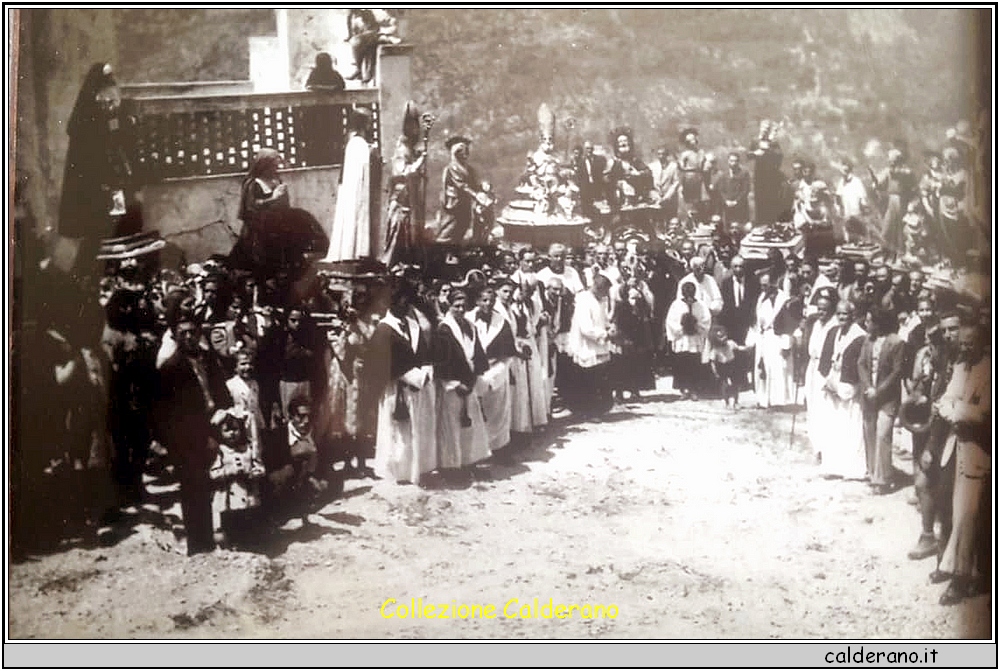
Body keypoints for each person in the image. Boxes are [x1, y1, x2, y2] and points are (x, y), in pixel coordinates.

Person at [154, 306, 233, 556]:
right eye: (183, 333)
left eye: (192, 332)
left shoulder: (208, 359)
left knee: (222, 483)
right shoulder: (170, 368)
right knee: (193, 488)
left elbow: (221, 390)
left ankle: (224, 535)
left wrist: (225, 414)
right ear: (176, 336)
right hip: (188, 436)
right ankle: (199, 545)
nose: (189, 337)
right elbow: (166, 412)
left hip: (215, 424)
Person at [59, 62, 137, 284]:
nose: (109, 104)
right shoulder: (86, 120)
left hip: (111, 186)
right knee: (97, 235)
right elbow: (91, 158)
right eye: (105, 99)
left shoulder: (107, 116)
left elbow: (117, 145)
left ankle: (105, 280)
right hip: (94, 188)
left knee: (113, 232)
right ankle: (80, 280)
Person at [933, 322, 991, 605]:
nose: (965, 347)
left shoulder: (990, 370)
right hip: (954, 446)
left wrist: (954, 410)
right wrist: (955, 409)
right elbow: (945, 399)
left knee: (969, 514)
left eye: (971, 343)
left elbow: (983, 415)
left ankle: (962, 576)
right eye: (963, 343)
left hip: (980, 451)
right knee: (950, 507)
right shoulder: (960, 366)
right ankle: (948, 564)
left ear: (983, 342)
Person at [369, 280, 437, 485]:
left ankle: (416, 469)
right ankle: (398, 472)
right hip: (397, 386)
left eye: (407, 303)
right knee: (398, 432)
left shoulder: (414, 326)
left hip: (418, 385)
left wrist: (426, 372)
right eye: (400, 302)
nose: (405, 307)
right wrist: (409, 376)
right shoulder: (383, 329)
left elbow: (425, 353)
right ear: (392, 304)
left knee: (416, 428)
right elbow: (380, 362)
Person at [434, 288, 491, 472]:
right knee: (452, 427)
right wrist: (454, 383)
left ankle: (469, 462)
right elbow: (441, 360)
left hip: (469, 381)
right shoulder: (444, 328)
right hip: (453, 385)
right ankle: (452, 467)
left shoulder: (469, 326)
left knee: (470, 425)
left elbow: (477, 353)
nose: (460, 309)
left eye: (463, 306)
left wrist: (474, 378)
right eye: (456, 306)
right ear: (449, 306)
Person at [816, 300, 867, 479]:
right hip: (833, 380)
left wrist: (843, 387)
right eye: (838, 314)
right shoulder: (833, 332)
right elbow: (825, 359)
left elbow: (859, 365)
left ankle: (851, 468)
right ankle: (833, 465)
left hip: (849, 385)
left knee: (850, 426)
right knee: (833, 425)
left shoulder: (860, 336)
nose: (841, 317)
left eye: (845, 314)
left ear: (852, 315)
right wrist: (828, 381)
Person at [857, 307, 906, 495]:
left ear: (879, 322)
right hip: (869, 395)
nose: (866, 324)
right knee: (870, 432)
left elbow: (896, 371)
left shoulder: (896, 342)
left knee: (883, 435)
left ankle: (884, 479)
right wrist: (868, 386)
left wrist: (879, 390)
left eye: (869, 321)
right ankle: (872, 473)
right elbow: (861, 363)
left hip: (887, 397)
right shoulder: (867, 341)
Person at [325, 109, 380, 263]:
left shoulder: (355, 141)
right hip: (355, 188)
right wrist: (372, 153)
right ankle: (354, 251)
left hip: (354, 187)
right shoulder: (357, 142)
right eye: (369, 121)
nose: (371, 125)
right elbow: (363, 164)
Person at [208, 409, 265, 547]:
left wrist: (253, 473)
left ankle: (248, 542)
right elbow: (213, 473)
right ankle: (232, 543)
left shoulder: (247, 449)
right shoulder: (221, 452)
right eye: (227, 430)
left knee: (247, 519)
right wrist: (230, 472)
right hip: (229, 495)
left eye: (235, 429)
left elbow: (260, 468)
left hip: (247, 492)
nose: (232, 433)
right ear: (220, 433)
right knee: (230, 520)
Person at [383, 101, 428, 267]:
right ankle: (391, 265)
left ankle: (407, 263)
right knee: (398, 232)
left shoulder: (410, 147)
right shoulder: (402, 149)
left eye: (417, 125)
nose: (416, 129)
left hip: (410, 196)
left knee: (409, 234)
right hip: (401, 197)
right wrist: (420, 161)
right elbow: (402, 172)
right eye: (412, 125)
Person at [566, 275, 615, 414]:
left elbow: (603, 319)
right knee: (589, 380)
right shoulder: (584, 301)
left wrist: (609, 327)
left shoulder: (601, 300)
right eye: (605, 291)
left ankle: (599, 409)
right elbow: (586, 328)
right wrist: (605, 334)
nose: (606, 295)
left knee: (600, 379)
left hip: (600, 345)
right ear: (598, 288)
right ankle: (588, 411)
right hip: (587, 346)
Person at [435, 136, 493, 247]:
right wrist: (476, 195)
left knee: (464, 223)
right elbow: (462, 185)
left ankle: (454, 249)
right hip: (454, 203)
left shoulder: (469, 168)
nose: (464, 153)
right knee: (452, 225)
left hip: (464, 201)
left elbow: (474, 182)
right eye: (461, 151)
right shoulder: (452, 168)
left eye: (466, 151)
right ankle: (442, 248)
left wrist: (483, 186)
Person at [751, 271, 797, 408]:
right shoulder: (761, 298)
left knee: (779, 369)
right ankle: (764, 399)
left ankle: (779, 401)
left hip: (778, 338)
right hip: (764, 338)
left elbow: (790, 326)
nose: (764, 288)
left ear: (774, 283)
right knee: (763, 368)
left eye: (766, 285)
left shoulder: (784, 300)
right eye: (762, 286)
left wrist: (786, 344)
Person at [719, 254, 760, 390]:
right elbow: (724, 304)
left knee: (747, 350)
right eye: (735, 266)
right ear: (731, 268)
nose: (738, 269)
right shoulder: (726, 283)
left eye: (741, 266)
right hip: (731, 322)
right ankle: (737, 380)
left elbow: (755, 302)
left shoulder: (753, 282)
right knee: (734, 350)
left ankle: (750, 381)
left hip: (747, 322)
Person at [665, 280, 711, 400]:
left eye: (691, 294)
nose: (689, 297)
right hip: (682, 339)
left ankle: (694, 389)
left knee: (694, 363)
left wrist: (696, 325)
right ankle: (684, 389)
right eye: (686, 294)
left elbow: (706, 320)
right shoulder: (676, 304)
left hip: (695, 338)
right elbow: (670, 321)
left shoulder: (700, 305)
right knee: (682, 363)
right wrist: (682, 328)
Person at [611, 284, 656, 402]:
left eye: (637, 298)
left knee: (636, 366)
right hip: (624, 341)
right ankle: (619, 394)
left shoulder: (640, 308)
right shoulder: (621, 307)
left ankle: (635, 391)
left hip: (636, 341)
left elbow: (643, 325)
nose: (635, 301)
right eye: (633, 298)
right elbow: (619, 324)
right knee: (621, 367)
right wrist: (624, 340)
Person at [703, 323, 752, 408]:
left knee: (735, 384)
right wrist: (715, 372)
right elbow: (713, 362)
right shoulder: (715, 350)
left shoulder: (730, 343)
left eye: (724, 335)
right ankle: (725, 401)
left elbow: (738, 348)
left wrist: (746, 348)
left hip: (732, 365)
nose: (724, 338)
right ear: (715, 339)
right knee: (724, 385)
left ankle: (736, 401)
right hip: (721, 367)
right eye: (720, 337)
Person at [749, 120, 784, 227]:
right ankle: (760, 224)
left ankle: (770, 224)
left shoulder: (773, 143)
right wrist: (755, 153)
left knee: (770, 199)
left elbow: (780, 156)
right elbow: (748, 155)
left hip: (770, 176)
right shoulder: (755, 141)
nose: (765, 129)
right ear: (760, 127)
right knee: (759, 198)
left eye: (767, 127)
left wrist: (769, 149)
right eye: (763, 126)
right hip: (759, 176)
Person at [713, 151, 751, 226]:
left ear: (738, 162)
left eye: (735, 161)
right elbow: (721, 190)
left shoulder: (744, 174)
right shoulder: (724, 174)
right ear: (728, 161)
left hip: (740, 206)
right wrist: (726, 200)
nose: (733, 163)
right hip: (727, 207)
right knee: (727, 228)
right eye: (731, 161)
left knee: (740, 228)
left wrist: (736, 201)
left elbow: (745, 190)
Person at [573, 141, 608, 214]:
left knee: (598, 204)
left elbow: (601, 171)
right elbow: (578, 174)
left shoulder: (599, 159)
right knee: (587, 205)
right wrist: (580, 184)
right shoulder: (581, 161)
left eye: (590, 148)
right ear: (584, 150)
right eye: (587, 148)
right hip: (585, 186)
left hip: (596, 185)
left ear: (593, 149)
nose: (589, 150)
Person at [649, 146, 680, 223]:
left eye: (663, 154)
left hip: (670, 199)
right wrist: (655, 196)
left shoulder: (673, 166)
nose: (661, 156)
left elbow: (676, 182)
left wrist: (667, 196)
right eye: (659, 154)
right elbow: (649, 183)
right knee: (657, 219)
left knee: (671, 220)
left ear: (667, 155)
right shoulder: (652, 166)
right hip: (656, 198)